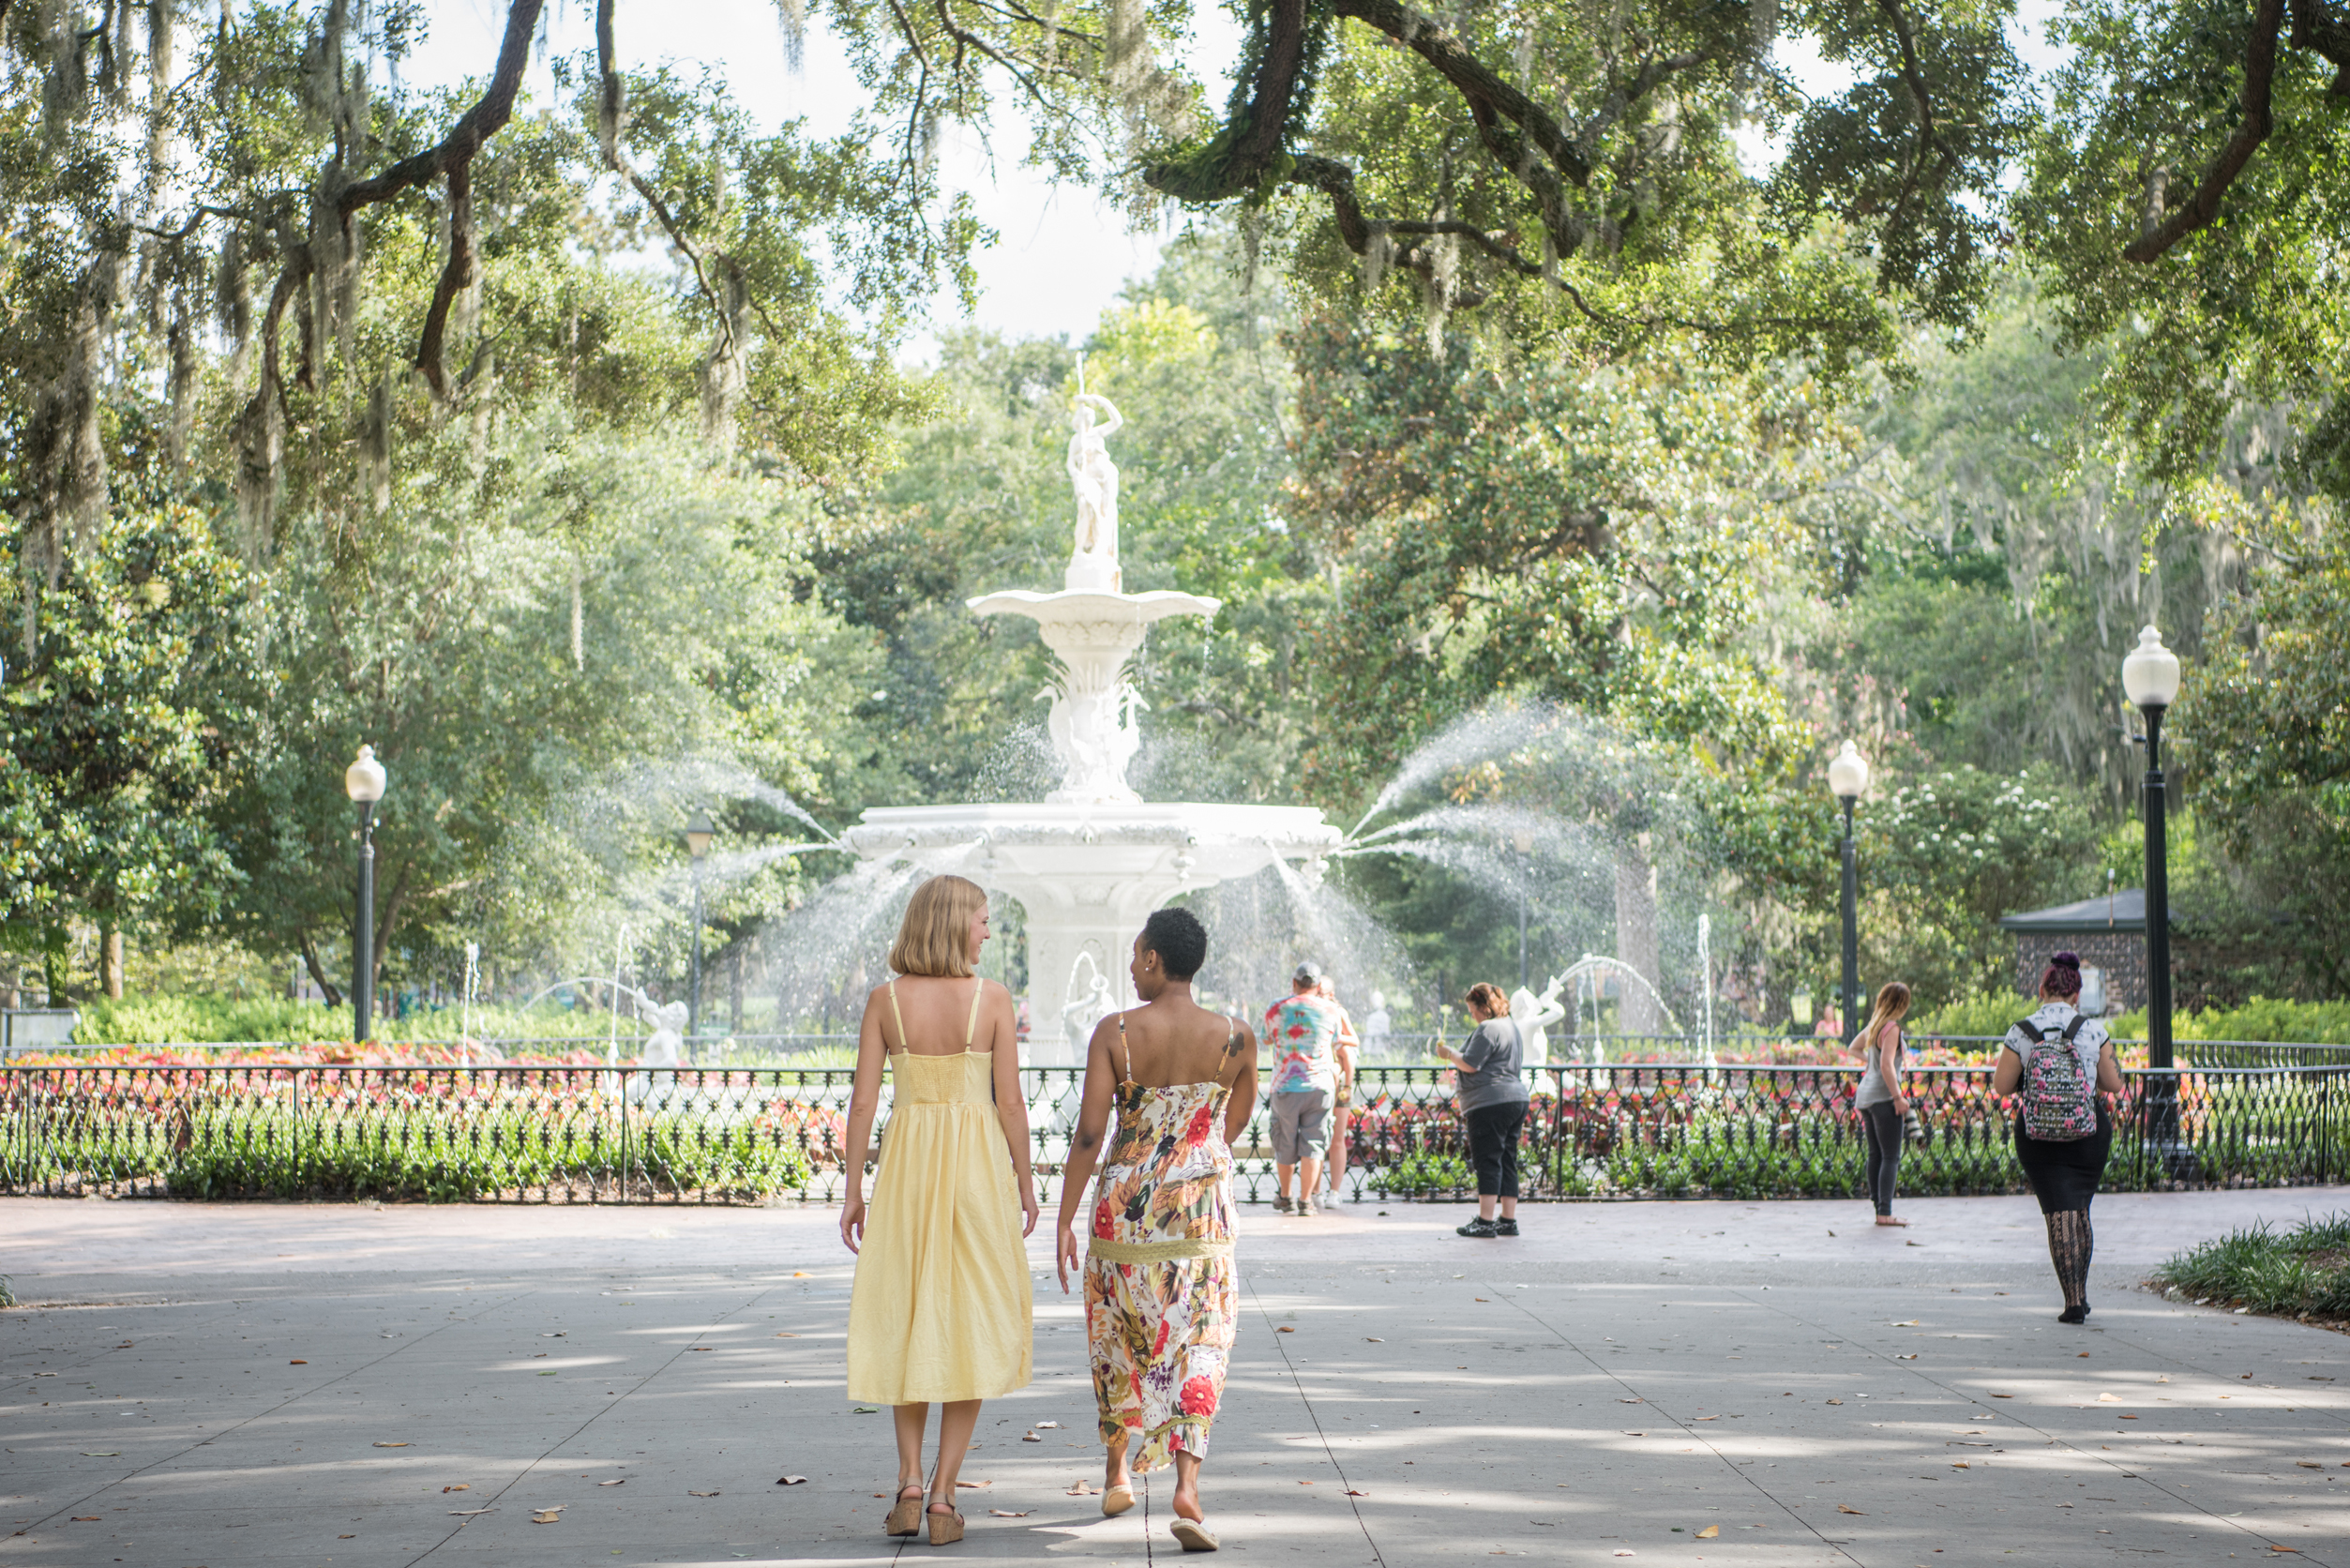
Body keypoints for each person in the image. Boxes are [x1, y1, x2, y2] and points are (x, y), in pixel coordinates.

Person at [839, 875, 1039, 1545]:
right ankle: (947, 1499)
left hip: (906, 1168)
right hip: (976, 1171)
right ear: (956, 925)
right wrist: (1027, 1180)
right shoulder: (991, 1000)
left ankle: (907, 1482)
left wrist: (852, 1190)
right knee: (973, 1318)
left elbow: (863, 1104)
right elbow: (1010, 1102)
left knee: (904, 1310)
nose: (988, 931)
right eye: (983, 920)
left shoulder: (884, 1001)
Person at [1057, 908, 1258, 1554]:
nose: (1131, 965)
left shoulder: (1115, 1032)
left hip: (1125, 1212)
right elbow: (1233, 1121)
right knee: (1200, 1339)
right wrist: (1194, 1152)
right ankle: (1188, 1488)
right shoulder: (1235, 1037)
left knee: (1117, 1331)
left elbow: (1090, 1134)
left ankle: (1116, 1470)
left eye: (1136, 954)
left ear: (1151, 959)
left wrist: (1062, 1217)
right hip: (1200, 1211)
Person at [1991, 950, 2123, 1324]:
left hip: (2038, 1135)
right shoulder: (2093, 1030)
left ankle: (2073, 1302)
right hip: (2088, 1131)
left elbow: (2001, 1087)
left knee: (2057, 1215)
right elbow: (2114, 1085)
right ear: (2076, 994)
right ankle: (2080, 1294)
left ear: (2042, 989)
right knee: (2079, 1211)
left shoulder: (2022, 1031)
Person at [1433, 982, 1529, 1237]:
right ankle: (1508, 1220)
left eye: (1473, 1010)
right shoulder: (1511, 1026)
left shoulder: (1488, 1028)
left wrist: (1448, 1053)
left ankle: (1485, 1222)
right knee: (1508, 1159)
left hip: (1489, 1102)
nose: (1471, 1015)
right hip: (1516, 1098)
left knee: (1487, 1160)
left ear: (1485, 1007)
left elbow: (1470, 1064)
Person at [1258, 961, 1344, 1216]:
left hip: (1286, 1085)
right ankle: (1307, 1201)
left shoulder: (1277, 1007)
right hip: (1321, 1086)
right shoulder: (1331, 1009)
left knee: (1285, 1141)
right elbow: (1337, 1041)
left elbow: (1265, 1038)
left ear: (1294, 983)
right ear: (1318, 986)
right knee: (1314, 1143)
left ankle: (1286, 1197)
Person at [1851, 981, 1914, 1228]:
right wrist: (1898, 1097)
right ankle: (1885, 1213)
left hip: (1866, 1095)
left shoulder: (1875, 1024)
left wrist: (1872, 1066)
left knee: (1875, 1154)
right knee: (1891, 1156)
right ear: (1902, 1003)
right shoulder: (1892, 1028)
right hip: (1883, 1096)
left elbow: (1853, 1048)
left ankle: (1879, 1207)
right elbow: (1888, 1065)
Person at [1316, 976, 1361, 1203]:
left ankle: (1334, 1192)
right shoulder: (1313, 1013)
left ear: (1331, 995)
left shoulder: (1337, 1013)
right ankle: (1314, 1192)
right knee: (1315, 1137)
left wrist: (1336, 1036)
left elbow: (1354, 1042)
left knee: (1336, 1138)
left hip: (1340, 1085)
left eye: (1321, 993)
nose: (1317, 997)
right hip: (1320, 1082)